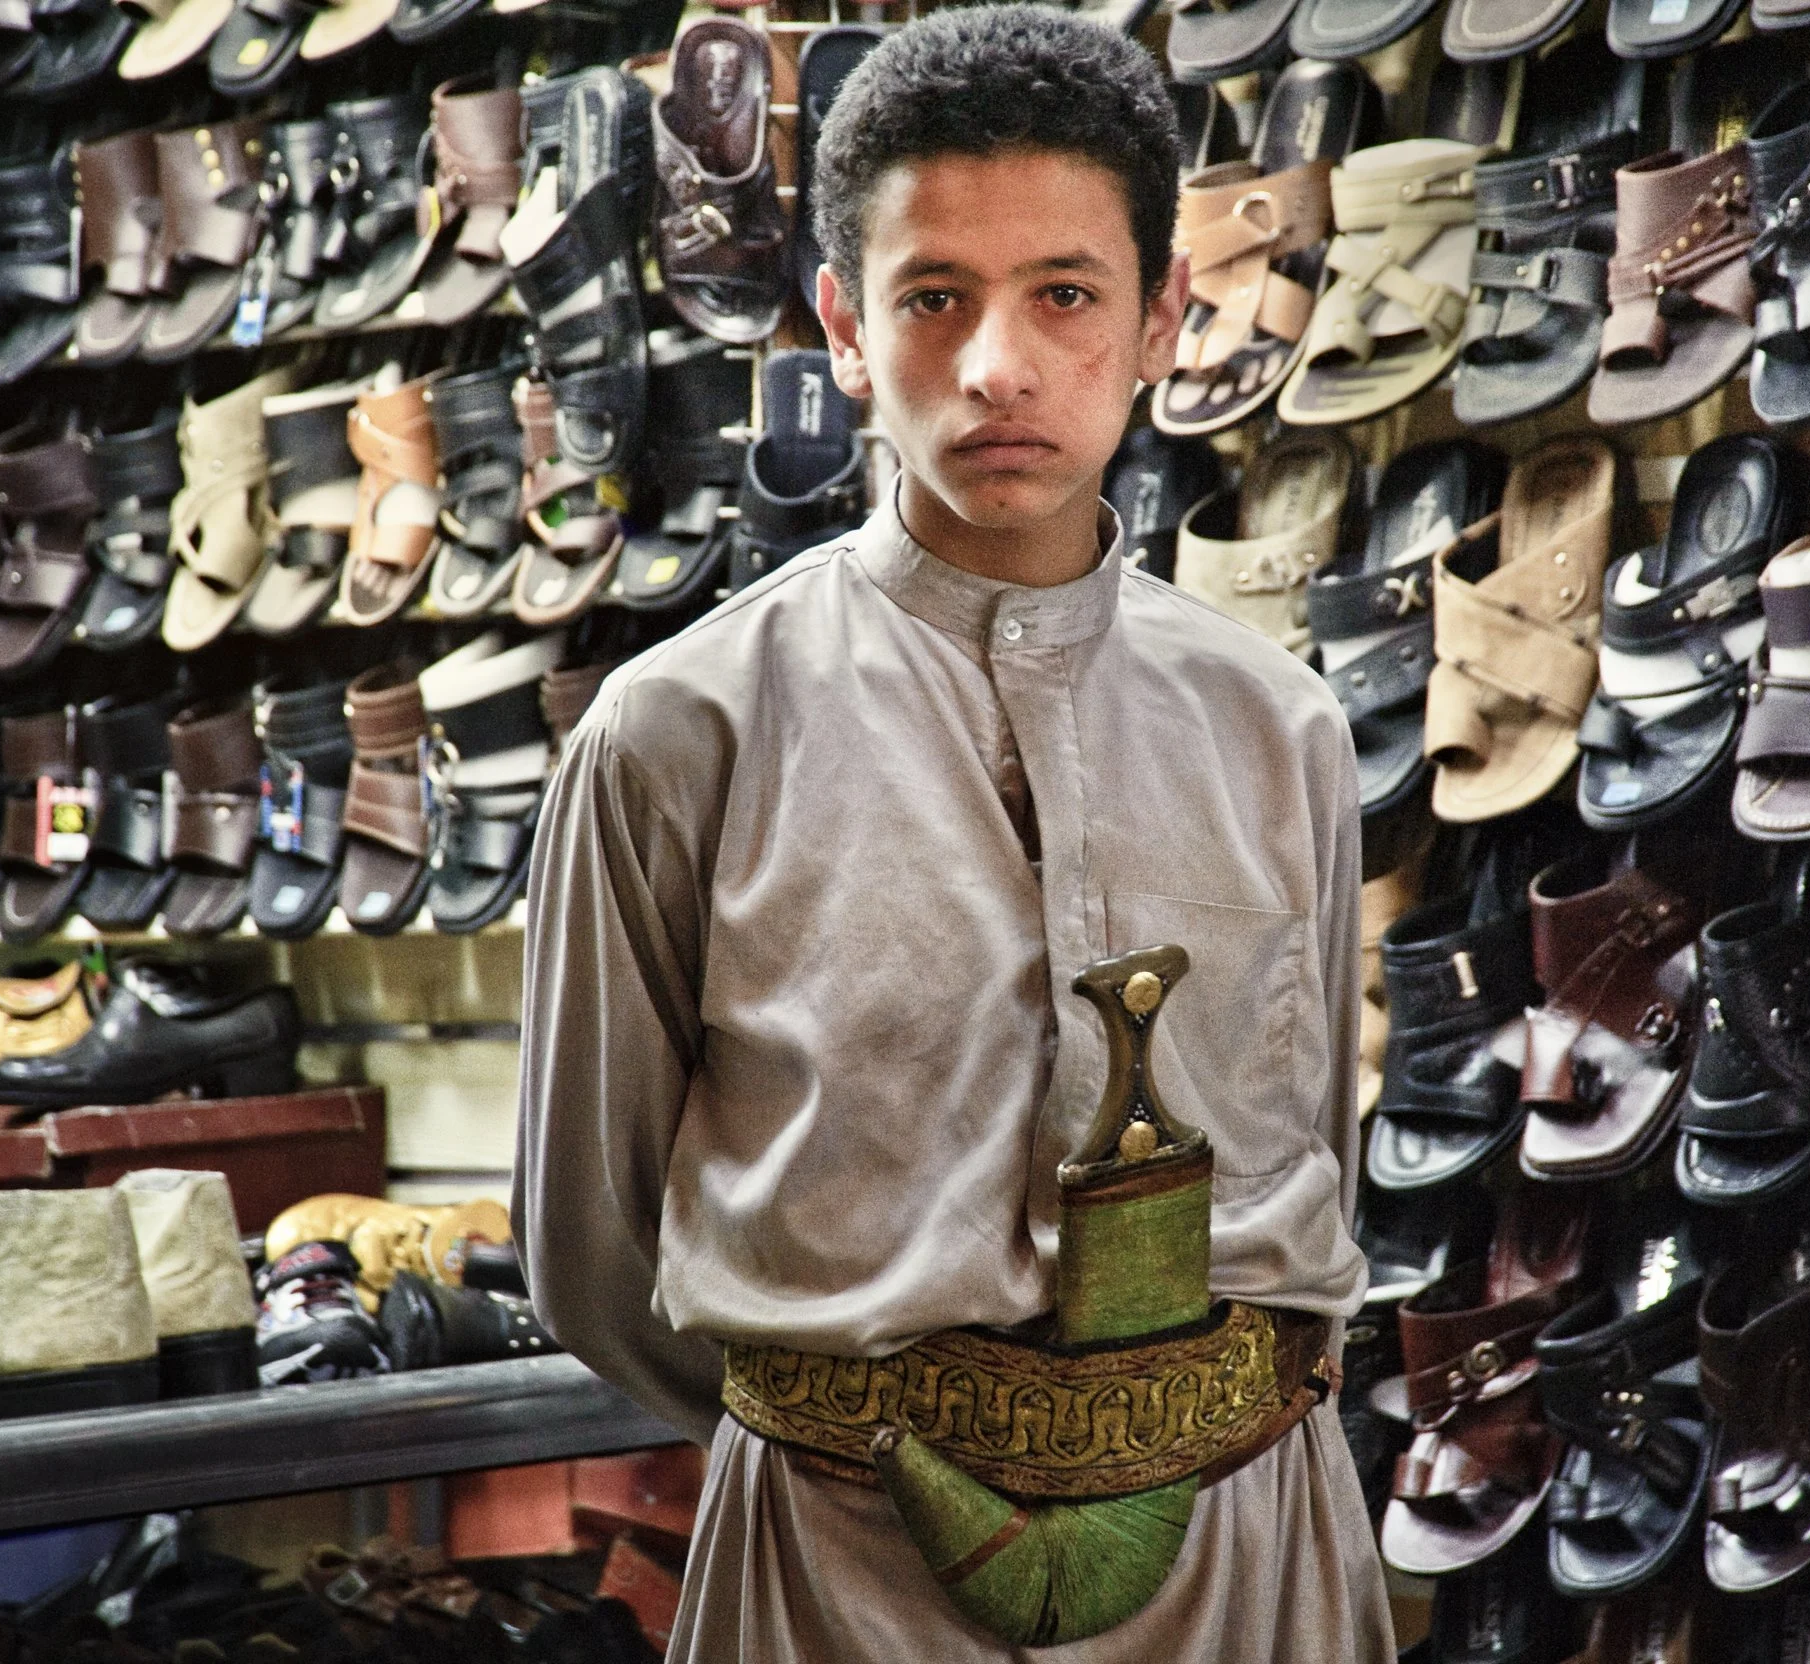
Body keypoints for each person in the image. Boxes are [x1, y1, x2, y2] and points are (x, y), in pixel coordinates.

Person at [515, 8, 1393, 1658]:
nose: (999, 366)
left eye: (1066, 294)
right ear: (843, 326)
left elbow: (1312, 1156)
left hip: (1249, 1563)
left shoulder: (1282, 728)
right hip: (842, 1575)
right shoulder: (676, 733)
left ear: (1160, 322)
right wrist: (866, 1434)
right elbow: (590, 1249)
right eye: (935, 299)